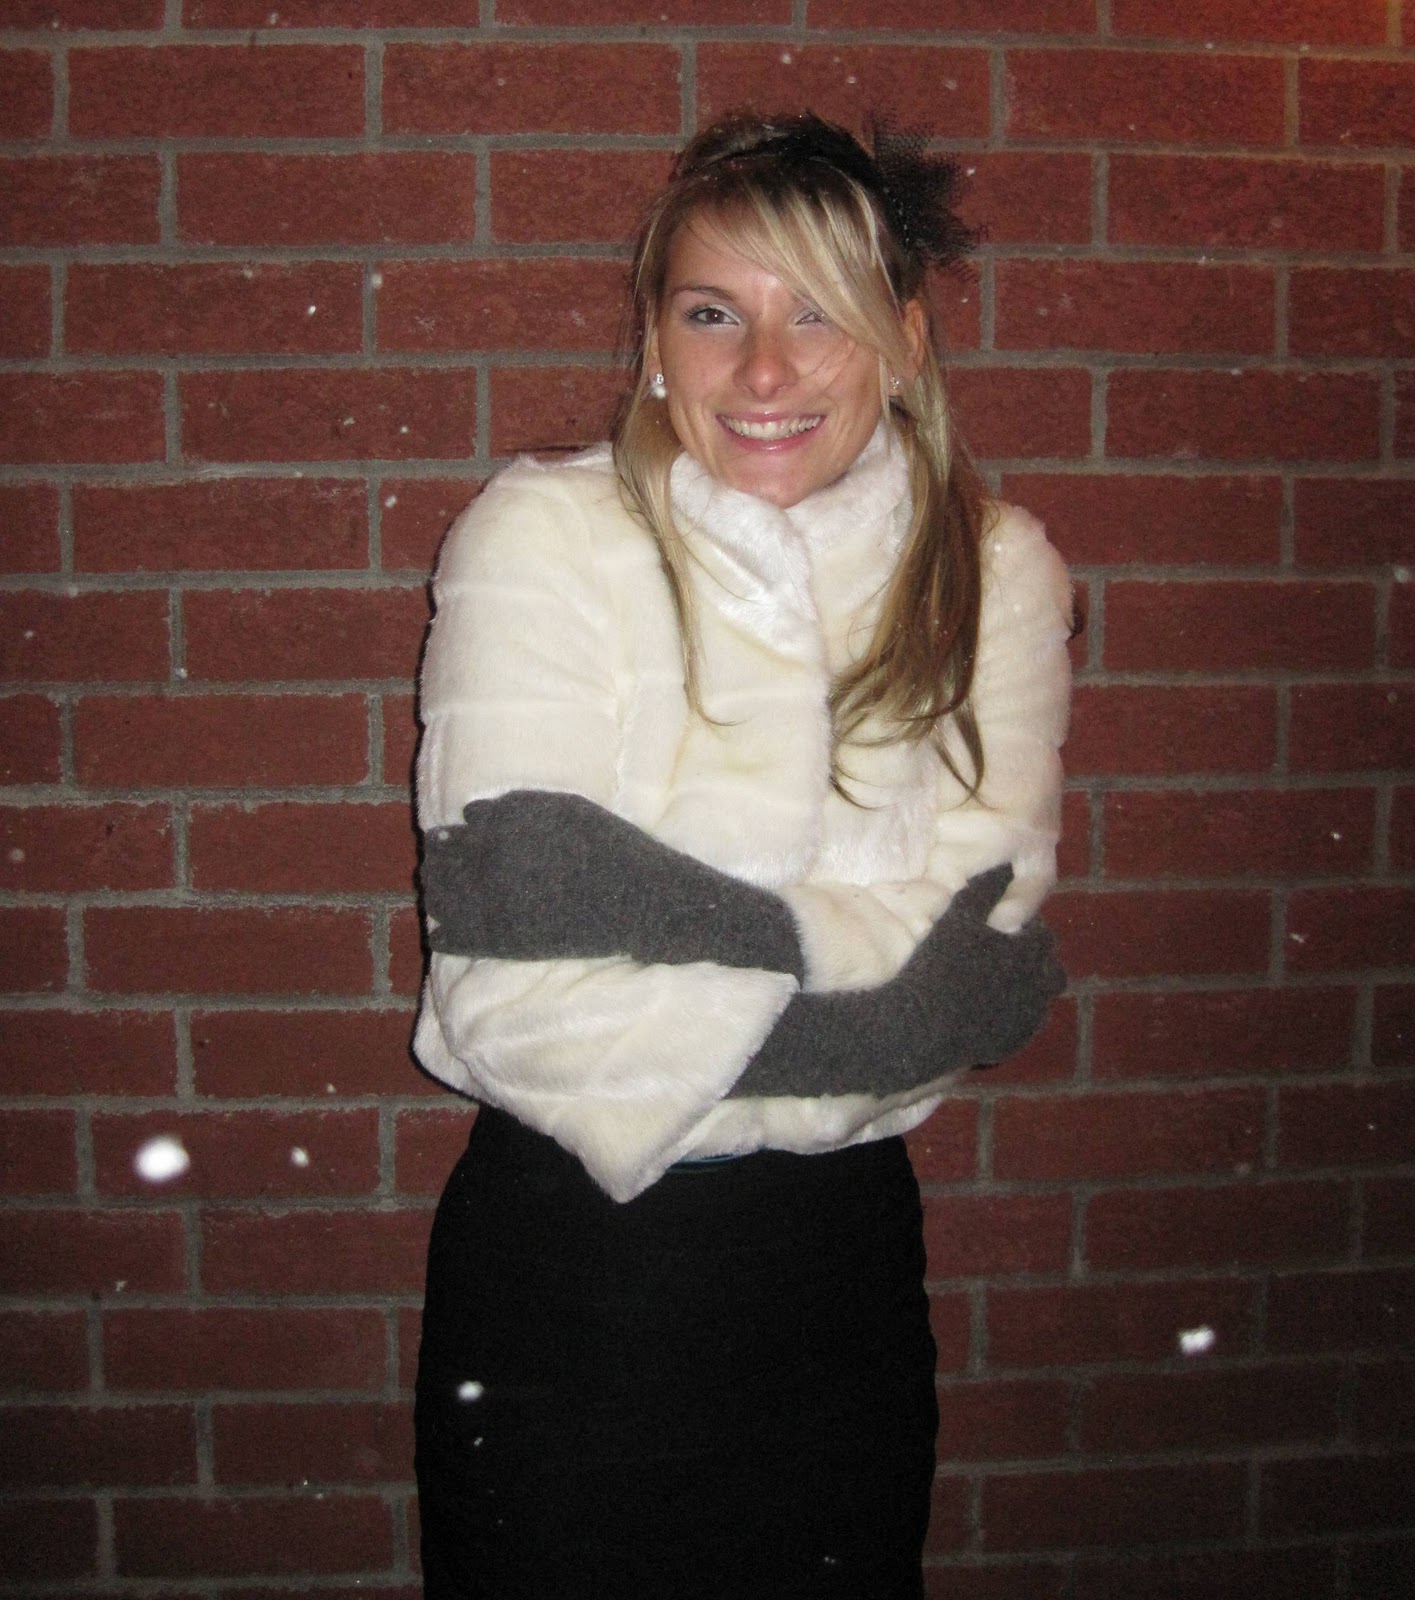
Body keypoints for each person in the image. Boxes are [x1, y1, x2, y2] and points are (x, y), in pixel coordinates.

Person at [411, 112, 1072, 1600]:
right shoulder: (543, 538)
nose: (764, 372)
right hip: (571, 1273)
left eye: (815, 314)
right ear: (655, 341)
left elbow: (975, 981)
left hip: (839, 1273)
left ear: (904, 343)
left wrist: (646, 911)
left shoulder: (994, 575)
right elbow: (509, 970)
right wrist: (864, 980)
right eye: (714, 314)